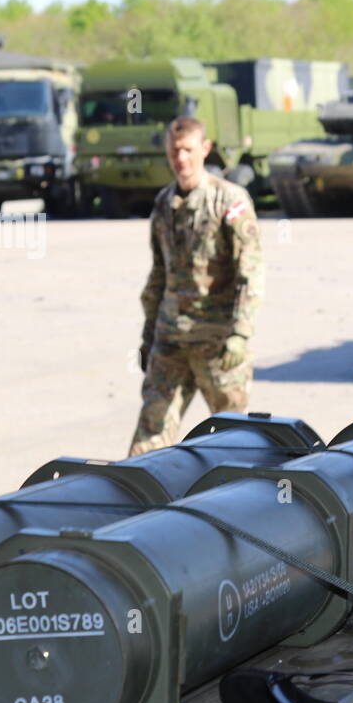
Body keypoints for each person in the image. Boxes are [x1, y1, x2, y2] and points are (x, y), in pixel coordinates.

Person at [128, 116, 264, 457]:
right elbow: (158, 276)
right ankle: (141, 505)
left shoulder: (230, 201)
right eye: (175, 151)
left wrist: (241, 333)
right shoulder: (163, 205)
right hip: (170, 341)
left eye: (188, 150)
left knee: (234, 441)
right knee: (149, 439)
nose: (181, 159)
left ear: (205, 149)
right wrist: (148, 336)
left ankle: (235, 507)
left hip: (218, 345)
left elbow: (250, 271)